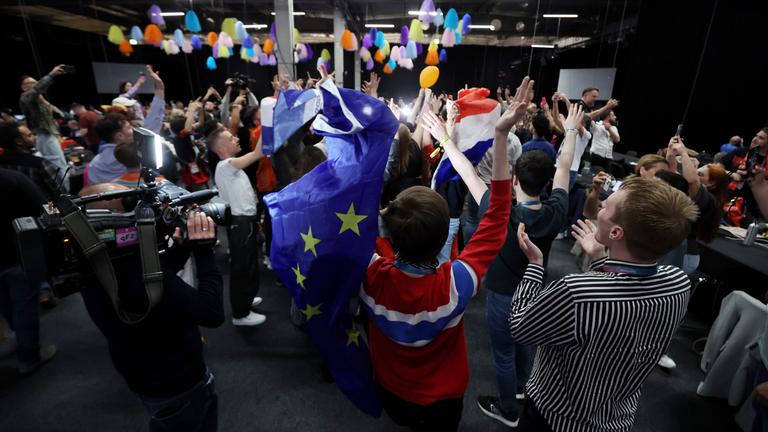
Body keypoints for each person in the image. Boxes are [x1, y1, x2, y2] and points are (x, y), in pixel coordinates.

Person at [361, 77, 532, 431]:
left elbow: (352, 219)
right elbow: (498, 214)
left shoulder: (369, 273)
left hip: (391, 391)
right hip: (443, 400)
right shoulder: (456, 283)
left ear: (389, 231)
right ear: (445, 237)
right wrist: (500, 136)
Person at [510, 175, 698, 431]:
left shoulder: (577, 292)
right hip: (615, 418)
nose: (601, 205)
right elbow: (618, 305)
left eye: (607, 205)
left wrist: (534, 266)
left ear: (616, 232)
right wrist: (600, 259)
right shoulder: (678, 282)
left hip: (556, 419)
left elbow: (521, 325)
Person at [475, 103, 583, 428]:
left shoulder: (501, 214)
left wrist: (499, 131)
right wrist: (573, 130)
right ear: (546, 182)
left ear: (515, 179)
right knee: (525, 340)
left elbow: (478, 175)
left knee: (504, 353)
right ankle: (523, 388)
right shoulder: (554, 212)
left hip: (502, 295)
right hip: (534, 291)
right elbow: (564, 166)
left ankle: (508, 409)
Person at [79, 212, 222, 431]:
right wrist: (204, 252)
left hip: (144, 376)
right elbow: (211, 312)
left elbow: (152, 281)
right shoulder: (131, 270)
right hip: (178, 386)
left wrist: (181, 249)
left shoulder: (95, 263)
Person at [0, 168, 57, 375]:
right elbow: (43, 206)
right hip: (19, 251)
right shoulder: (11, 178)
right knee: (24, 303)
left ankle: (20, 337)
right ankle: (29, 355)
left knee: (6, 302)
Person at [208, 126, 266, 326]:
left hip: (245, 222)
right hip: (240, 224)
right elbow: (258, 152)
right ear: (222, 147)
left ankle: (246, 299)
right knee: (243, 268)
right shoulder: (226, 165)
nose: (236, 139)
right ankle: (240, 314)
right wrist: (268, 119)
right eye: (231, 138)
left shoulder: (230, 167)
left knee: (249, 265)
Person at [18, 65, 70, 173]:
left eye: (35, 82)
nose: (35, 84)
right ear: (23, 87)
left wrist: (46, 103)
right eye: (31, 83)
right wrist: (51, 75)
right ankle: (64, 189)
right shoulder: (25, 97)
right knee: (58, 166)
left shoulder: (39, 101)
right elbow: (38, 88)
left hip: (50, 135)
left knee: (60, 163)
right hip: (44, 135)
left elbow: (59, 113)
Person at [0, 121, 67, 197]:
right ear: (19, 141)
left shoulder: (2, 163)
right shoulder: (40, 164)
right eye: (30, 135)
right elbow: (60, 190)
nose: (35, 137)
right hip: (44, 206)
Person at [87, 113, 132, 185]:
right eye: (129, 127)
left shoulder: (94, 163)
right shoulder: (132, 157)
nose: (134, 129)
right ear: (120, 136)